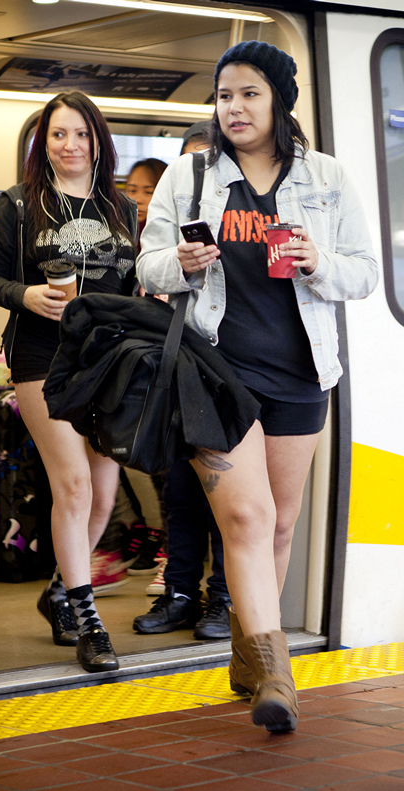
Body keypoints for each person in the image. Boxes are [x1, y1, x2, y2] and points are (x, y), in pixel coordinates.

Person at [138, 41, 379, 732]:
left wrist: (317, 260)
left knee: (278, 523)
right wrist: (180, 263)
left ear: (279, 101)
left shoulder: (326, 177)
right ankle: (277, 674)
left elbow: (364, 273)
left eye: (249, 94)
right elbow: (147, 266)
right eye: (224, 96)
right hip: (216, 373)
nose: (234, 108)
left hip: (301, 374)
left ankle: (248, 660)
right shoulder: (189, 176)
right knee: (245, 516)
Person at [0, 91, 139, 673]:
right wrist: (26, 296)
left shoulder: (122, 208)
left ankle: (59, 592)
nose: (71, 145)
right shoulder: (20, 205)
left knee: (102, 495)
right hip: (42, 358)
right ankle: (90, 623)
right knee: (73, 486)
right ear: (42, 143)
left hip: (110, 362)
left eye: (81, 134)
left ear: (98, 141)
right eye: (58, 134)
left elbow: (132, 286)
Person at [134, 124, 231, 641]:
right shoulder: (173, 210)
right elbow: (148, 272)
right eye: (190, 161)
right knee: (181, 488)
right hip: (183, 360)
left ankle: (225, 598)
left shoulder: (248, 207)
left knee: (228, 493)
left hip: (235, 365)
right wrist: (179, 262)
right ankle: (179, 593)